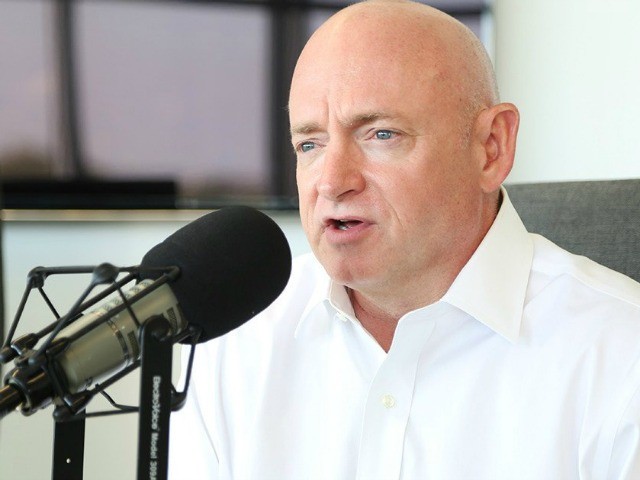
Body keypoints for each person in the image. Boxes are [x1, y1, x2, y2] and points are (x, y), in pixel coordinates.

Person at [168, 1, 640, 478]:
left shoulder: (622, 357)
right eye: (310, 144)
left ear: (491, 147)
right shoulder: (231, 341)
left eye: (381, 135)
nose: (331, 182)